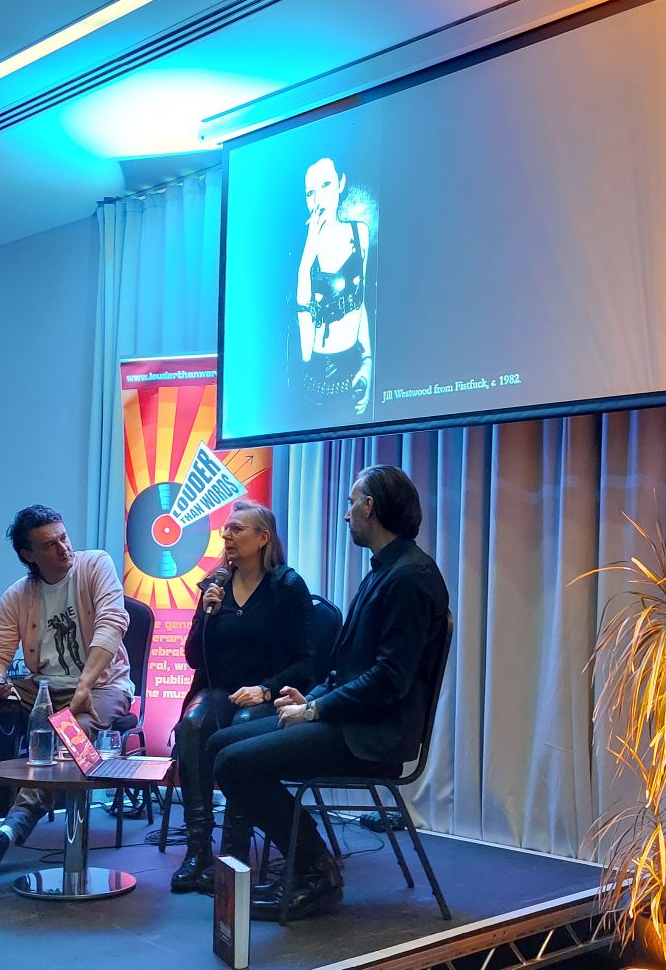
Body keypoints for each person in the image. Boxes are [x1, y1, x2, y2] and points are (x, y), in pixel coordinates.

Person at [206, 465, 449, 921]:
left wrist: (315, 709)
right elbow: (345, 669)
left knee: (233, 762)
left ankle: (315, 869)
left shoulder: (409, 577)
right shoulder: (388, 570)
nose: (346, 515)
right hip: (352, 719)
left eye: (352, 503)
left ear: (370, 507)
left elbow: (388, 680)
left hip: (374, 734)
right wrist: (308, 698)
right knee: (220, 743)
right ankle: (306, 862)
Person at [0, 505, 133, 882]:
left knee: (71, 733)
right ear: (28, 554)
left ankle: (9, 831)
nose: (64, 548)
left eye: (64, 537)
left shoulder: (95, 565)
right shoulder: (17, 595)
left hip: (99, 686)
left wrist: (84, 685)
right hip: (40, 689)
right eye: (50, 544)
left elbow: (112, 623)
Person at [171, 500, 313, 894]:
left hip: (270, 691)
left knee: (245, 727)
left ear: (263, 538)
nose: (227, 536)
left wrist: (265, 689)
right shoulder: (214, 585)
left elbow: (307, 662)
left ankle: (232, 854)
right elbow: (193, 658)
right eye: (226, 530)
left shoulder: (286, 587)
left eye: (237, 529)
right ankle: (197, 848)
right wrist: (209, 615)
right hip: (220, 689)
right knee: (194, 724)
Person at [296, 156, 373, 419]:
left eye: (326, 184)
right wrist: (306, 262)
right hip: (317, 378)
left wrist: (368, 362)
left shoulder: (359, 232)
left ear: (341, 183)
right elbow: (305, 350)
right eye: (310, 192)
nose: (318, 199)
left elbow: (360, 302)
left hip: (353, 367)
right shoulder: (302, 251)